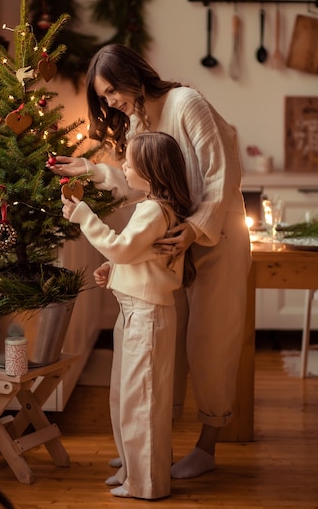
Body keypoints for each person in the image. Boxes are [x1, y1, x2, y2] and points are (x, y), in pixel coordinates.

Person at [49, 43, 251, 480]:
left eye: (109, 93)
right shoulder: (139, 119)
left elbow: (222, 172)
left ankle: (207, 446)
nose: (109, 103)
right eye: (103, 98)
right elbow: (137, 181)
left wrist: (196, 228)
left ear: (131, 77)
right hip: (172, 239)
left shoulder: (186, 103)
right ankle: (150, 442)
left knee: (210, 341)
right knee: (166, 343)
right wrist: (87, 169)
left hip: (217, 233)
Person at [61, 132, 196, 499]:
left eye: (130, 164)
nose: (123, 167)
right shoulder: (152, 207)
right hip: (133, 310)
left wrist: (83, 215)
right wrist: (114, 268)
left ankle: (146, 483)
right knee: (126, 395)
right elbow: (137, 254)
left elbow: (122, 247)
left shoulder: (153, 209)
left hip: (147, 315)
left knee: (143, 401)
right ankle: (132, 468)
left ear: (151, 174)